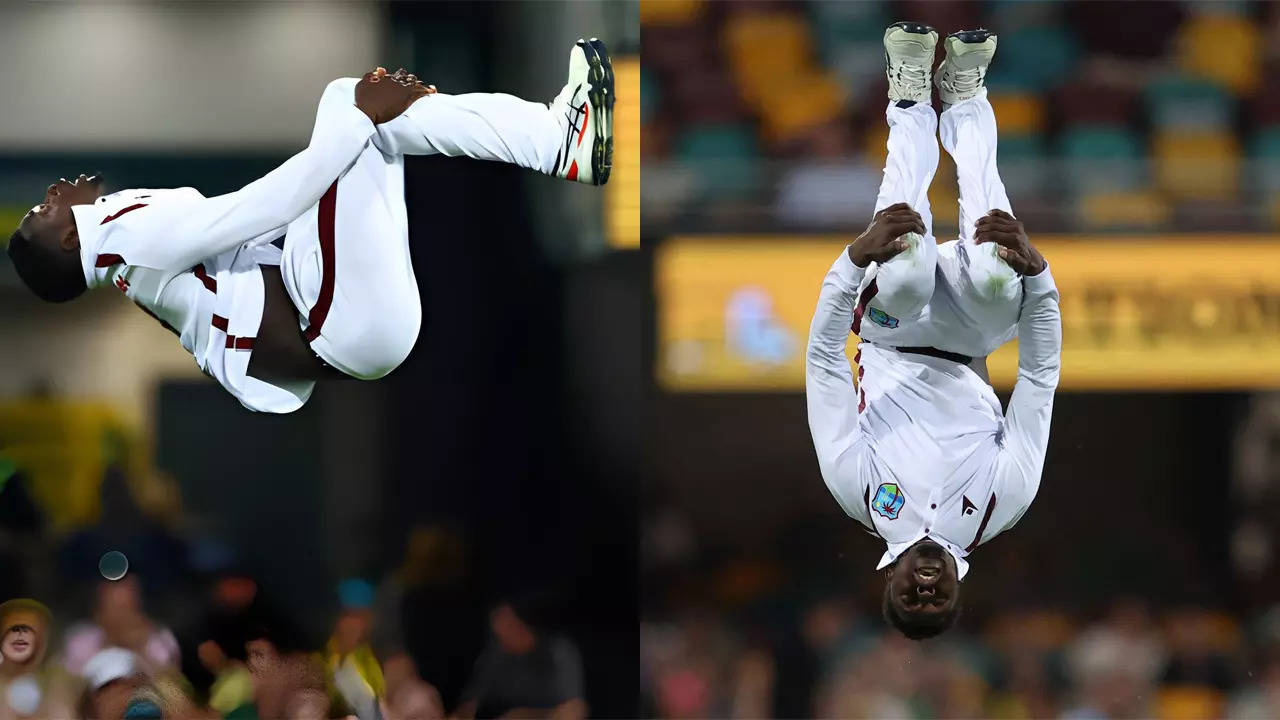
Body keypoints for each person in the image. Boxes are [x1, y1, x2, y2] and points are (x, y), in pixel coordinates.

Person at [6, 39, 614, 413]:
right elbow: (260, 208)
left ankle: (561, 139)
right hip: (331, 314)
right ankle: (559, 140)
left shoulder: (121, 253)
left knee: (368, 115)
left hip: (343, 324)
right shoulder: (119, 239)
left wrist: (379, 113)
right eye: (44, 211)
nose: (52, 195)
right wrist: (359, 117)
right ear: (68, 241)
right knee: (348, 104)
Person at [805, 23, 1061, 640]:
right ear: (957, 595)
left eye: (910, 601)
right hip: (974, 336)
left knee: (908, 267)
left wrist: (855, 260)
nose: (926, 590)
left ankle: (912, 101)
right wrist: (1041, 280)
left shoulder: (857, 492)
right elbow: (1038, 378)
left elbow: (823, 361)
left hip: (891, 330)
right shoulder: (1004, 505)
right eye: (937, 605)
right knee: (1004, 277)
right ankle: (968, 99)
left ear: (886, 583)